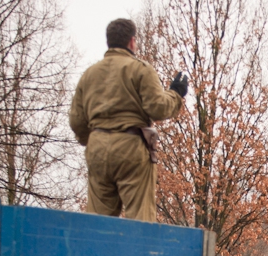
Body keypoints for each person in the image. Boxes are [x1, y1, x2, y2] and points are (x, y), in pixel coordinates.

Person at [69, 18, 187, 221]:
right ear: (132, 42)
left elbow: (77, 121)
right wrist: (176, 93)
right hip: (131, 146)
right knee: (140, 218)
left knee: (97, 221)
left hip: (97, 147)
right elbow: (158, 108)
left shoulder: (89, 75)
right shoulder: (140, 69)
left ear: (109, 42)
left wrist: (93, 139)